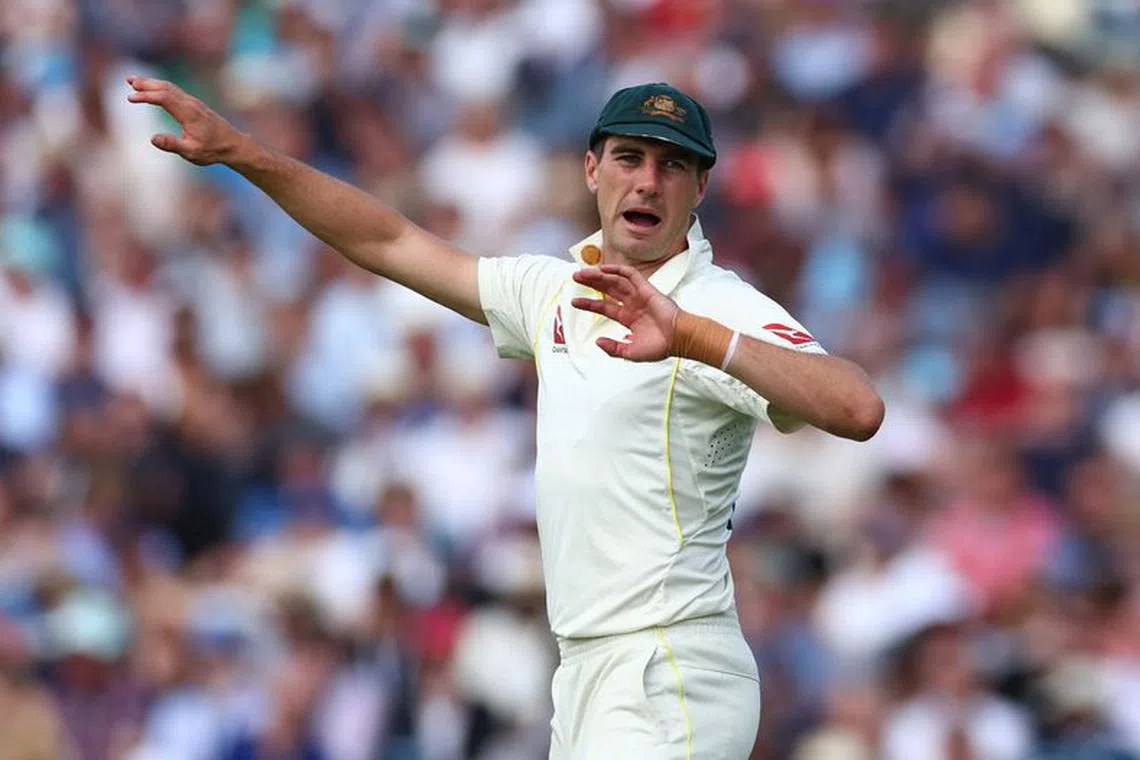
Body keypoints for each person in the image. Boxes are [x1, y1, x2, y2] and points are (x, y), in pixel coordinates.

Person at [127, 76, 884, 758]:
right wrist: (246, 157)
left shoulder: (720, 304)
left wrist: (690, 335)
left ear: (700, 187)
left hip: (669, 666)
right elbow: (388, 241)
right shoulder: (553, 291)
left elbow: (857, 406)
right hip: (585, 670)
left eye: (672, 165)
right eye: (628, 158)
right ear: (592, 170)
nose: (647, 182)